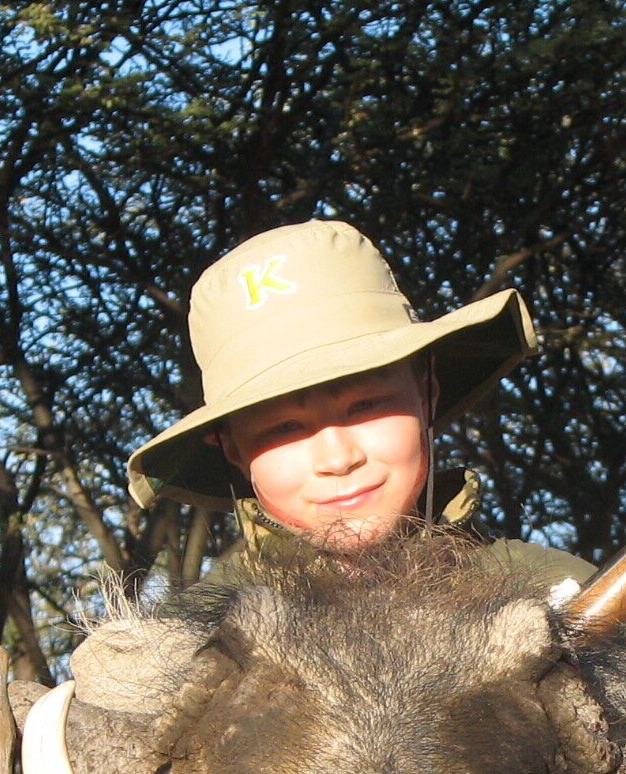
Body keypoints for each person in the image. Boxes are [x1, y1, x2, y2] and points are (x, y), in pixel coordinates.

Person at [125, 217, 595, 593]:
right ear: (231, 447)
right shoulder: (189, 647)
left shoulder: (561, 590)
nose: (338, 458)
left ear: (427, 391)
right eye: (284, 428)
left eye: (366, 405)